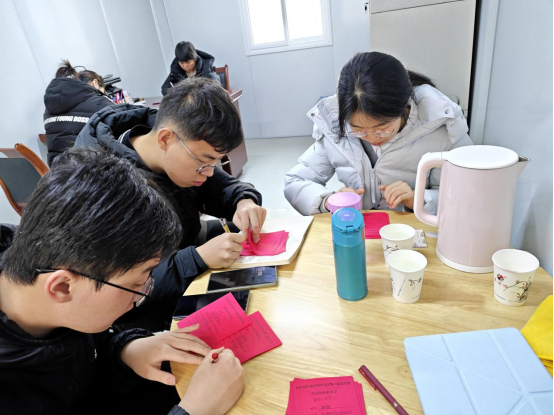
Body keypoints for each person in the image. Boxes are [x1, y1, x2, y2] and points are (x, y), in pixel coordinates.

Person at [0, 149, 244, 415]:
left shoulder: (54, 266)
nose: (141, 296)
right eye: (137, 284)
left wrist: (125, 350)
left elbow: (87, 358)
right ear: (62, 287)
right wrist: (194, 411)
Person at [75, 77, 266, 331]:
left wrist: (243, 201)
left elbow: (222, 187)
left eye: (217, 162)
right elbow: (122, 291)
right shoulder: (103, 189)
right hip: (144, 317)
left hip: (182, 257)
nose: (210, 172)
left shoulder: (179, 148)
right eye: (204, 162)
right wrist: (197, 259)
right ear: (165, 139)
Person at [285, 52, 473, 216]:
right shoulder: (334, 126)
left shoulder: (443, 128)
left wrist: (418, 199)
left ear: (404, 108)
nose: (372, 138)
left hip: (413, 233)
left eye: (382, 129)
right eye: (358, 130)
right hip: (359, 231)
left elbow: (469, 194)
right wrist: (328, 201)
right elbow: (296, 181)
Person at [43, 60, 115, 166]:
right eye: (103, 91)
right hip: (90, 171)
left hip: (57, 170)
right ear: (95, 83)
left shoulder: (49, 108)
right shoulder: (100, 102)